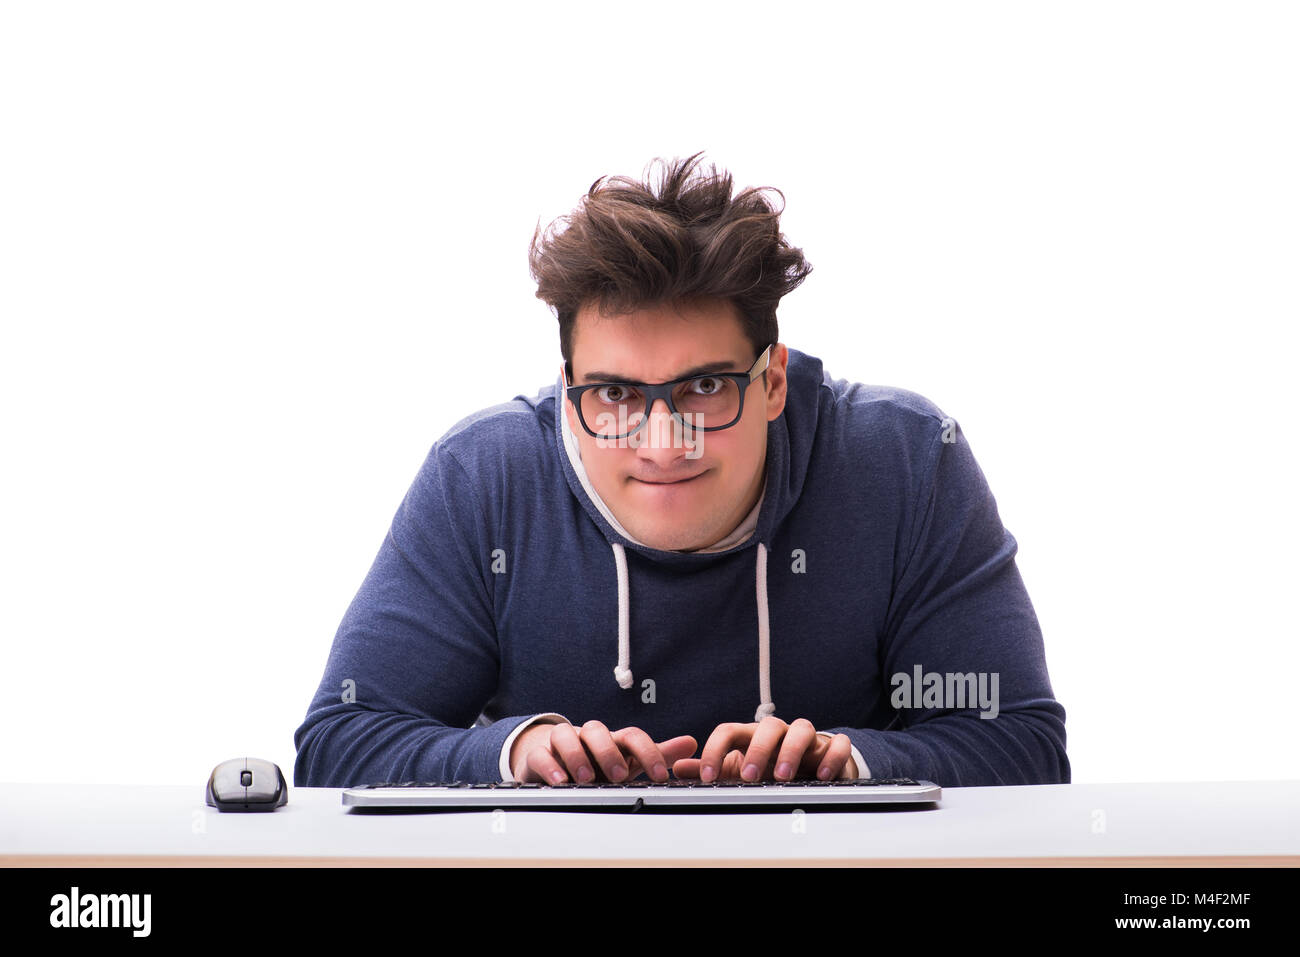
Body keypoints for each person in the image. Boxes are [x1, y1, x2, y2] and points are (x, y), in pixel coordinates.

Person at [292, 153, 1070, 788]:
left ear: (772, 382)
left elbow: (1024, 745)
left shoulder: (905, 462)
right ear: (568, 399)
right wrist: (513, 752)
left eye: (705, 385)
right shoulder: (483, 478)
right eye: (616, 393)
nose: (665, 441)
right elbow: (339, 742)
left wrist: (851, 763)